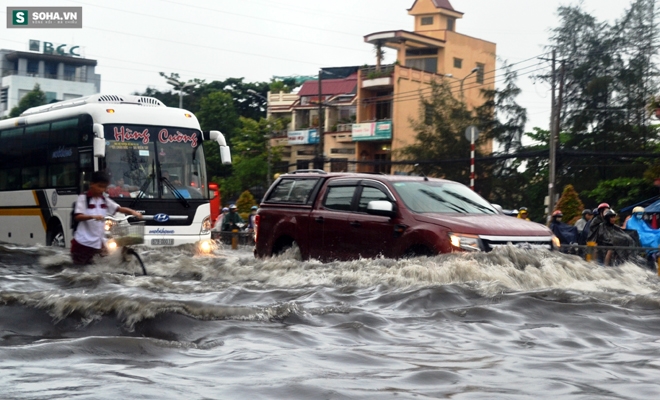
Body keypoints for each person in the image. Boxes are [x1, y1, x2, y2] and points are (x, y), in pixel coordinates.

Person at [71, 171, 142, 265]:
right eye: (100, 186)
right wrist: (92, 216)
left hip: (98, 242)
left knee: (108, 262)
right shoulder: (83, 198)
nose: (102, 190)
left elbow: (119, 208)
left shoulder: (104, 200)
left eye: (104, 187)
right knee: (80, 270)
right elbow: (78, 216)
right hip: (83, 243)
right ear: (92, 184)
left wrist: (133, 212)